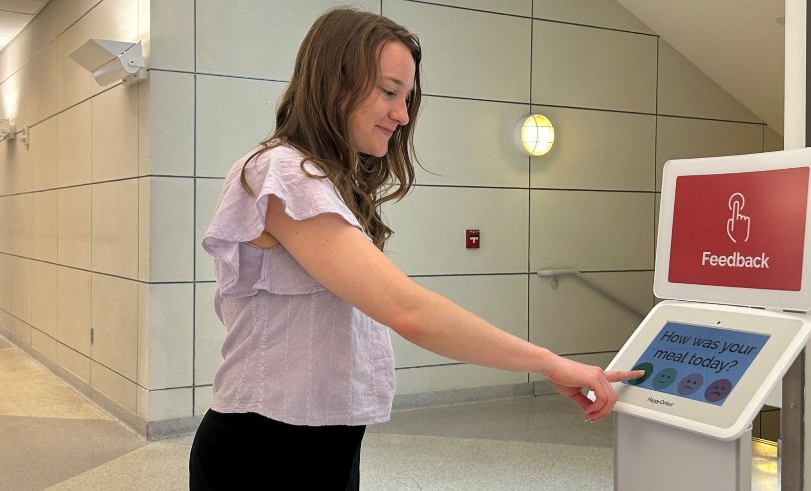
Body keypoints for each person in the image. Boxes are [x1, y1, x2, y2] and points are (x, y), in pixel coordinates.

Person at [189, 7, 642, 490]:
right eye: (388, 92)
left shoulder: (322, 183)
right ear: (333, 82)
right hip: (264, 451)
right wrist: (552, 362)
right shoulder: (280, 172)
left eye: (407, 98)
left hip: (323, 443)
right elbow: (409, 312)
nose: (402, 115)